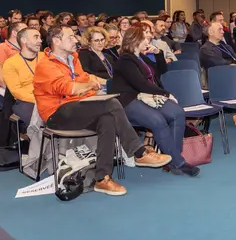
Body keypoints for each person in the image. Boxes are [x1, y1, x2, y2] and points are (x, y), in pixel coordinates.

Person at [33, 25, 172, 196]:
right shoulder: (45, 65)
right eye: (70, 37)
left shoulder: (73, 59)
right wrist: (90, 85)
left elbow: (83, 84)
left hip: (78, 108)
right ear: (56, 41)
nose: (76, 40)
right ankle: (139, 152)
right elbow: (69, 88)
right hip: (57, 113)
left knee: (107, 119)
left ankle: (102, 178)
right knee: (112, 103)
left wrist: (89, 87)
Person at [110, 26, 200, 177]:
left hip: (147, 97)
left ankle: (173, 159)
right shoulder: (125, 59)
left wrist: (158, 53)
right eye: (145, 38)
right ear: (135, 40)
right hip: (128, 99)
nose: (148, 40)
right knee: (157, 121)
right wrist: (166, 93)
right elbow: (140, 84)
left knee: (177, 112)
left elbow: (160, 71)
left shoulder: (141, 57)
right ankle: (178, 163)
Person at [1, 27, 43, 125]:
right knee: (34, 116)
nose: (40, 41)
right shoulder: (10, 63)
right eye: (36, 37)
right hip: (26, 101)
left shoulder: (46, 57)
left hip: (49, 97)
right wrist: (38, 99)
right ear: (24, 40)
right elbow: (17, 91)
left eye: (40, 37)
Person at [0, 22, 27, 109]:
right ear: (15, 33)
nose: (28, 34)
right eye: (25, 31)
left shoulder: (26, 51)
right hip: (0, 90)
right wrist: (15, 92)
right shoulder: (0, 48)